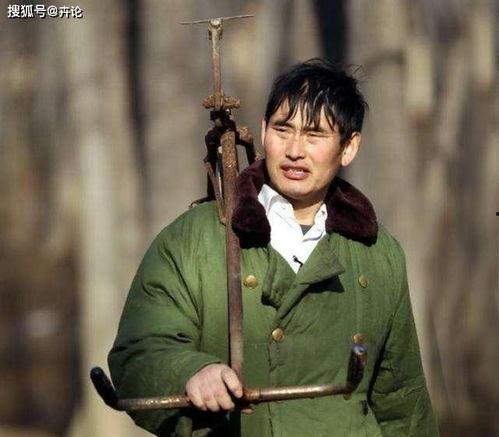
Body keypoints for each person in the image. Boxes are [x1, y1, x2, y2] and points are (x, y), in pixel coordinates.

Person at [108, 59, 438, 436]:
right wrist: (191, 372)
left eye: (315, 135)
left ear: (349, 147)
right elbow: (139, 352)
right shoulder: (195, 239)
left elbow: (402, 401)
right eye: (283, 129)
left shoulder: (378, 254)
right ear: (264, 131)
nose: (295, 150)